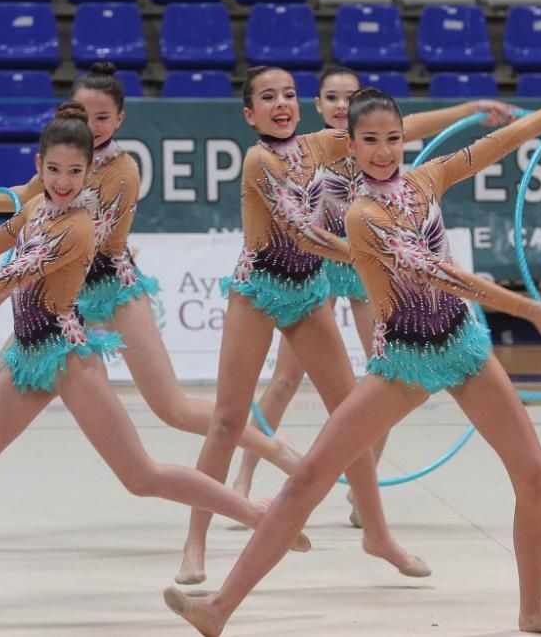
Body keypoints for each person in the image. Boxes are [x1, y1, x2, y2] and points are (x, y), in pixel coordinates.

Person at [163, 80, 541, 637]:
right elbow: (435, 272)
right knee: (309, 479)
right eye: (370, 141)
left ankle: (532, 609)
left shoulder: (424, 178)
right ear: (351, 144)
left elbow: (511, 137)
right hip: (403, 363)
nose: (385, 150)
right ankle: (217, 609)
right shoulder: (361, 216)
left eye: (394, 138)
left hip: (462, 348)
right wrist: (528, 308)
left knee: (536, 478)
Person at [0, 104, 310, 628]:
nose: (63, 182)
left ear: (90, 172)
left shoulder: (79, 227)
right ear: (39, 166)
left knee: (142, 476)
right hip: (29, 356)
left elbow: (2, 279)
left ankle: (259, 515)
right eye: (54, 170)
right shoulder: (38, 207)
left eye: (75, 172)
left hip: (66, 357)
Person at [232, 64, 518, 529]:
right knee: (284, 380)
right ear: (318, 106)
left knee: (387, 376)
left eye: (350, 97)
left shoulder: (373, 143)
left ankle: (363, 488)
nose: (342, 105)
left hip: (372, 272)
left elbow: (415, 127)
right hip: (329, 264)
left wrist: (469, 109)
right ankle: (244, 476)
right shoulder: (315, 150)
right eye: (332, 97)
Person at [176, 67, 426, 587]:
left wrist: (471, 113)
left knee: (350, 416)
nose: (281, 103)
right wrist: (370, 255)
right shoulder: (259, 160)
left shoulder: (317, 145)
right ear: (250, 114)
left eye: (287, 94)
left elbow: (398, 128)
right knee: (226, 421)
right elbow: (302, 230)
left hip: (308, 295)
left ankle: (377, 533)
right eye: (268, 97)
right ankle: (194, 542)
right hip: (259, 292)